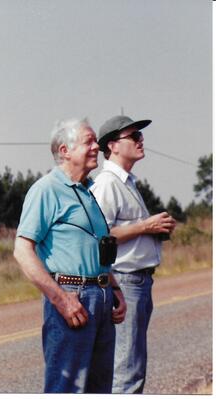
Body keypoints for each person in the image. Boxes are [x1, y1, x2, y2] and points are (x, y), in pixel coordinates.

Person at [13, 117, 126, 393]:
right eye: (88, 142)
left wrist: (114, 287)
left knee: (99, 389)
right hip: (73, 297)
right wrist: (60, 298)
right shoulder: (46, 190)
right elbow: (22, 250)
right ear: (64, 150)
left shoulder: (88, 192)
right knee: (67, 389)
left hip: (100, 299)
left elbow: (92, 248)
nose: (96, 148)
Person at [91, 115, 176, 393]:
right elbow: (98, 235)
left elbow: (124, 229)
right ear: (113, 146)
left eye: (140, 135)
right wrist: (144, 225)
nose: (141, 140)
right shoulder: (108, 184)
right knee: (127, 371)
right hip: (125, 281)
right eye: (134, 136)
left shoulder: (127, 182)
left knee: (132, 367)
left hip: (137, 281)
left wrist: (155, 229)